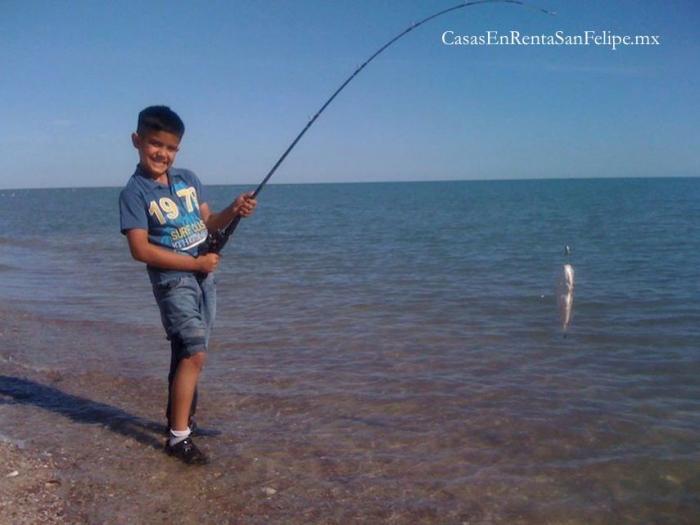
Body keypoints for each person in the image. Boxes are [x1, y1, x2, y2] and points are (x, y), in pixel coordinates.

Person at [118, 105, 256, 465]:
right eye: (155, 144)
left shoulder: (189, 180)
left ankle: (181, 421)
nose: (163, 153)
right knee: (195, 351)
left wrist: (234, 209)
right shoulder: (134, 193)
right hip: (173, 281)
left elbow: (208, 223)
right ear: (137, 141)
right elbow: (140, 249)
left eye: (171, 147)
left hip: (204, 278)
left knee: (187, 353)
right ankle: (179, 438)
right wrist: (195, 263)